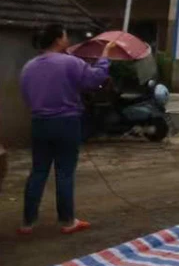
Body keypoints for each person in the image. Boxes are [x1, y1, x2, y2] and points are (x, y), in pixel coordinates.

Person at [18, 23, 116, 236]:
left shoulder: (29, 67)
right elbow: (95, 79)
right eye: (65, 35)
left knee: (38, 171)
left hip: (39, 123)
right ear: (58, 40)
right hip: (66, 122)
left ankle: (27, 222)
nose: (68, 39)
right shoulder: (70, 62)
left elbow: (26, 96)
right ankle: (67, 220)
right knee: (64, 172)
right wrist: (105, 55)